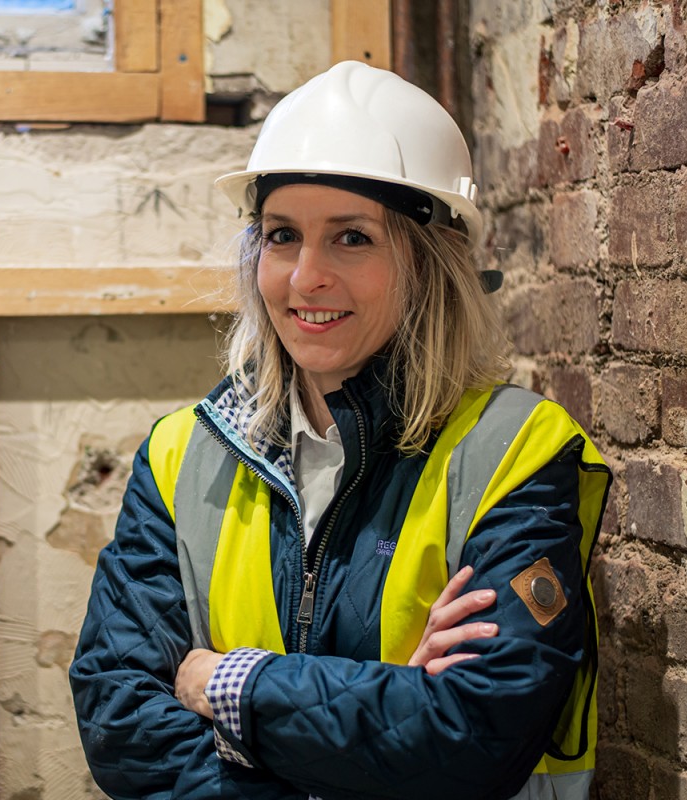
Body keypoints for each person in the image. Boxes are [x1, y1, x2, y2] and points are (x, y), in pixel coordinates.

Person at [70, 61, 611, 800]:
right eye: (281, 235)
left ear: (429, 265)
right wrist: (384, 712)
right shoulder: (178, 457)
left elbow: (472, 737)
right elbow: (121, 725)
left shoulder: (515, 453)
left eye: (352, 238)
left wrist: (221, 681)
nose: (304, 278)